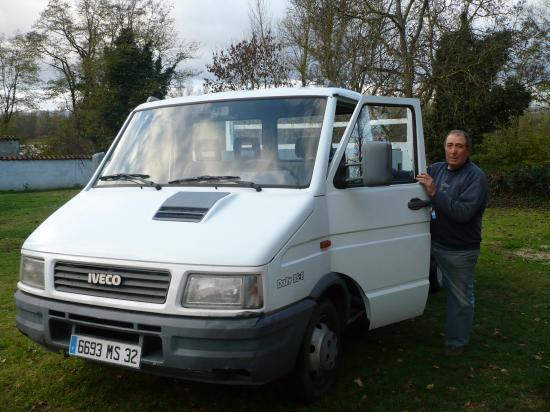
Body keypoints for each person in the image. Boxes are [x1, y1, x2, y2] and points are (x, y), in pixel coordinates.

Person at [416, 129, 488, 356]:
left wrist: (435, 192)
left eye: (459, 146)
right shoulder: (436, 169)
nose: (453, 151)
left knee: (460, 298)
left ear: (468, 150)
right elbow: (410, 177)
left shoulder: (475, 177)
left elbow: (463, 212)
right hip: (433, 243)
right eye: (450, 145)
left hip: (460, 250)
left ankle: (457, 344)